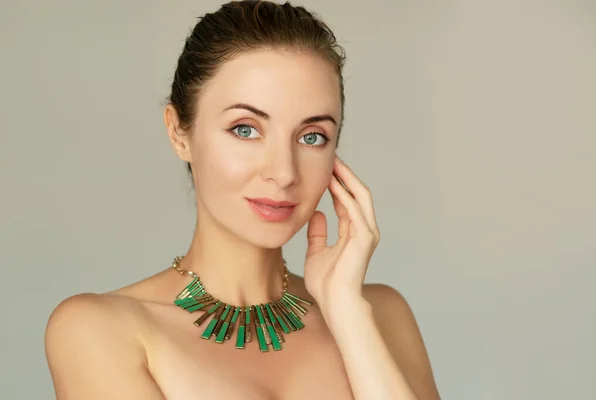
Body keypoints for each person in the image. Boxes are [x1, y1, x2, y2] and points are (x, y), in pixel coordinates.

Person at [44, 1, 441, 399]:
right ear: (179, 132)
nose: (284, 172)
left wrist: (347, 315)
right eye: (245, 129)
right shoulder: (100, 329)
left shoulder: (380, 315)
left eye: (311, 136)